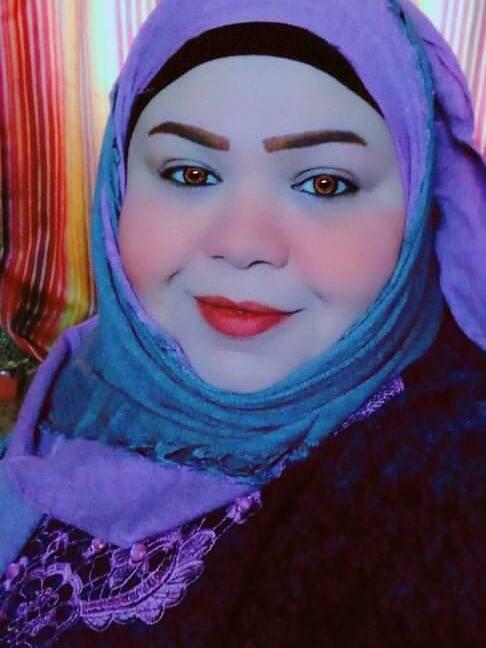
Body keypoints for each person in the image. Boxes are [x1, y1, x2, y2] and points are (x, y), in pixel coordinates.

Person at [0, 0, 485, 645]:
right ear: (117, 185)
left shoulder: (440, 487)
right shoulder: (93, 373)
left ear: (419, 206)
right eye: (190, 173)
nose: (242, 244)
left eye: (323, 184)